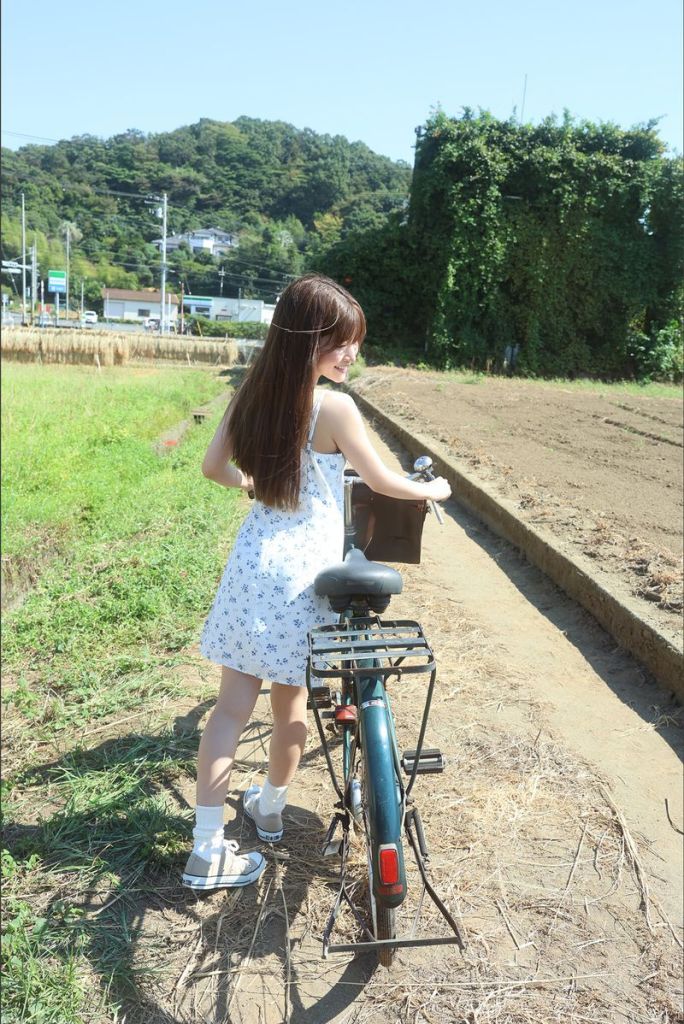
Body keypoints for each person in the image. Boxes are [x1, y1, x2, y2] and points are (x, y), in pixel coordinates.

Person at [182, 273, 451, 890]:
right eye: (341, 342)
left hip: (252, 562)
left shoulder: (253, 394)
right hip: (305, 574)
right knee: (292, 705)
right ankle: (270, 806)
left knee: (229, 709)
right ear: (309, 342)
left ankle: (206, 846)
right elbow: (382, 481)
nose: (352, 354)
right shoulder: (332, 407)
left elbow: (213, 467)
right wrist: (432, 488)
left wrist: (253, 486)